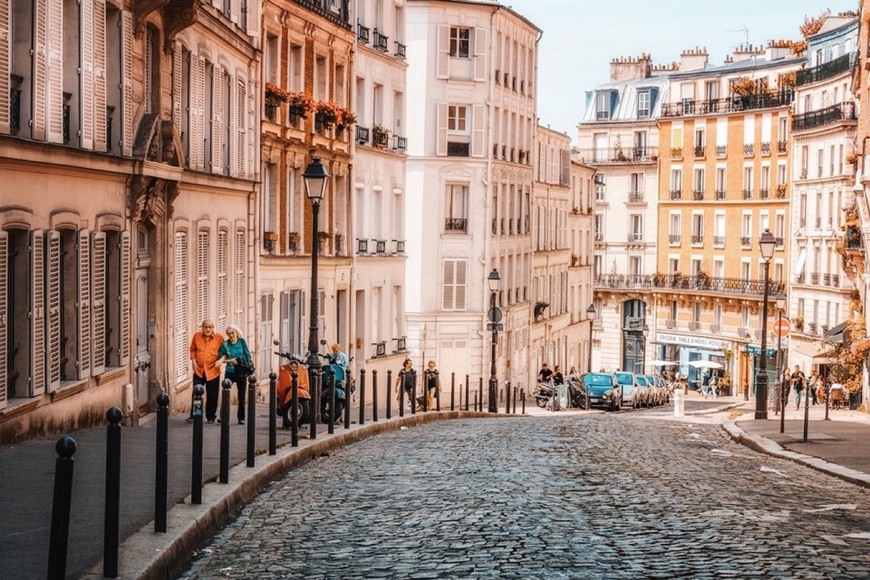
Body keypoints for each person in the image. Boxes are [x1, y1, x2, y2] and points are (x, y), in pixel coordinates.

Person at [188, 319, 224, 423]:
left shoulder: (219, 338)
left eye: (210, 327)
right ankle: (195, 415)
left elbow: (225, 351)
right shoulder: (197, 336)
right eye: (205, 327)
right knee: (196, 394)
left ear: (213, 328)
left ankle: (211, 417)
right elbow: (193, 349)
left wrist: (221, 359)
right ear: (202, 328)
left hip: (213, 370)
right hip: (199, 370)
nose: (208, 329)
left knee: (212, 395)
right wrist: (193, 360)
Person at [218, 324, 254, 425]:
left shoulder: (242, 342)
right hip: (230, 371)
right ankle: (223, 417)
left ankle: (241, 418)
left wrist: (239, 361)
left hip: (241, 372)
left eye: (232, 333)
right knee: (226, 394)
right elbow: (221, 359)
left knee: (241, 396)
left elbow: (248, 356)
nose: (231, 336)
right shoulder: (225, 345)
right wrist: (230, 361)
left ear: (236, 333)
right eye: (229, 334)